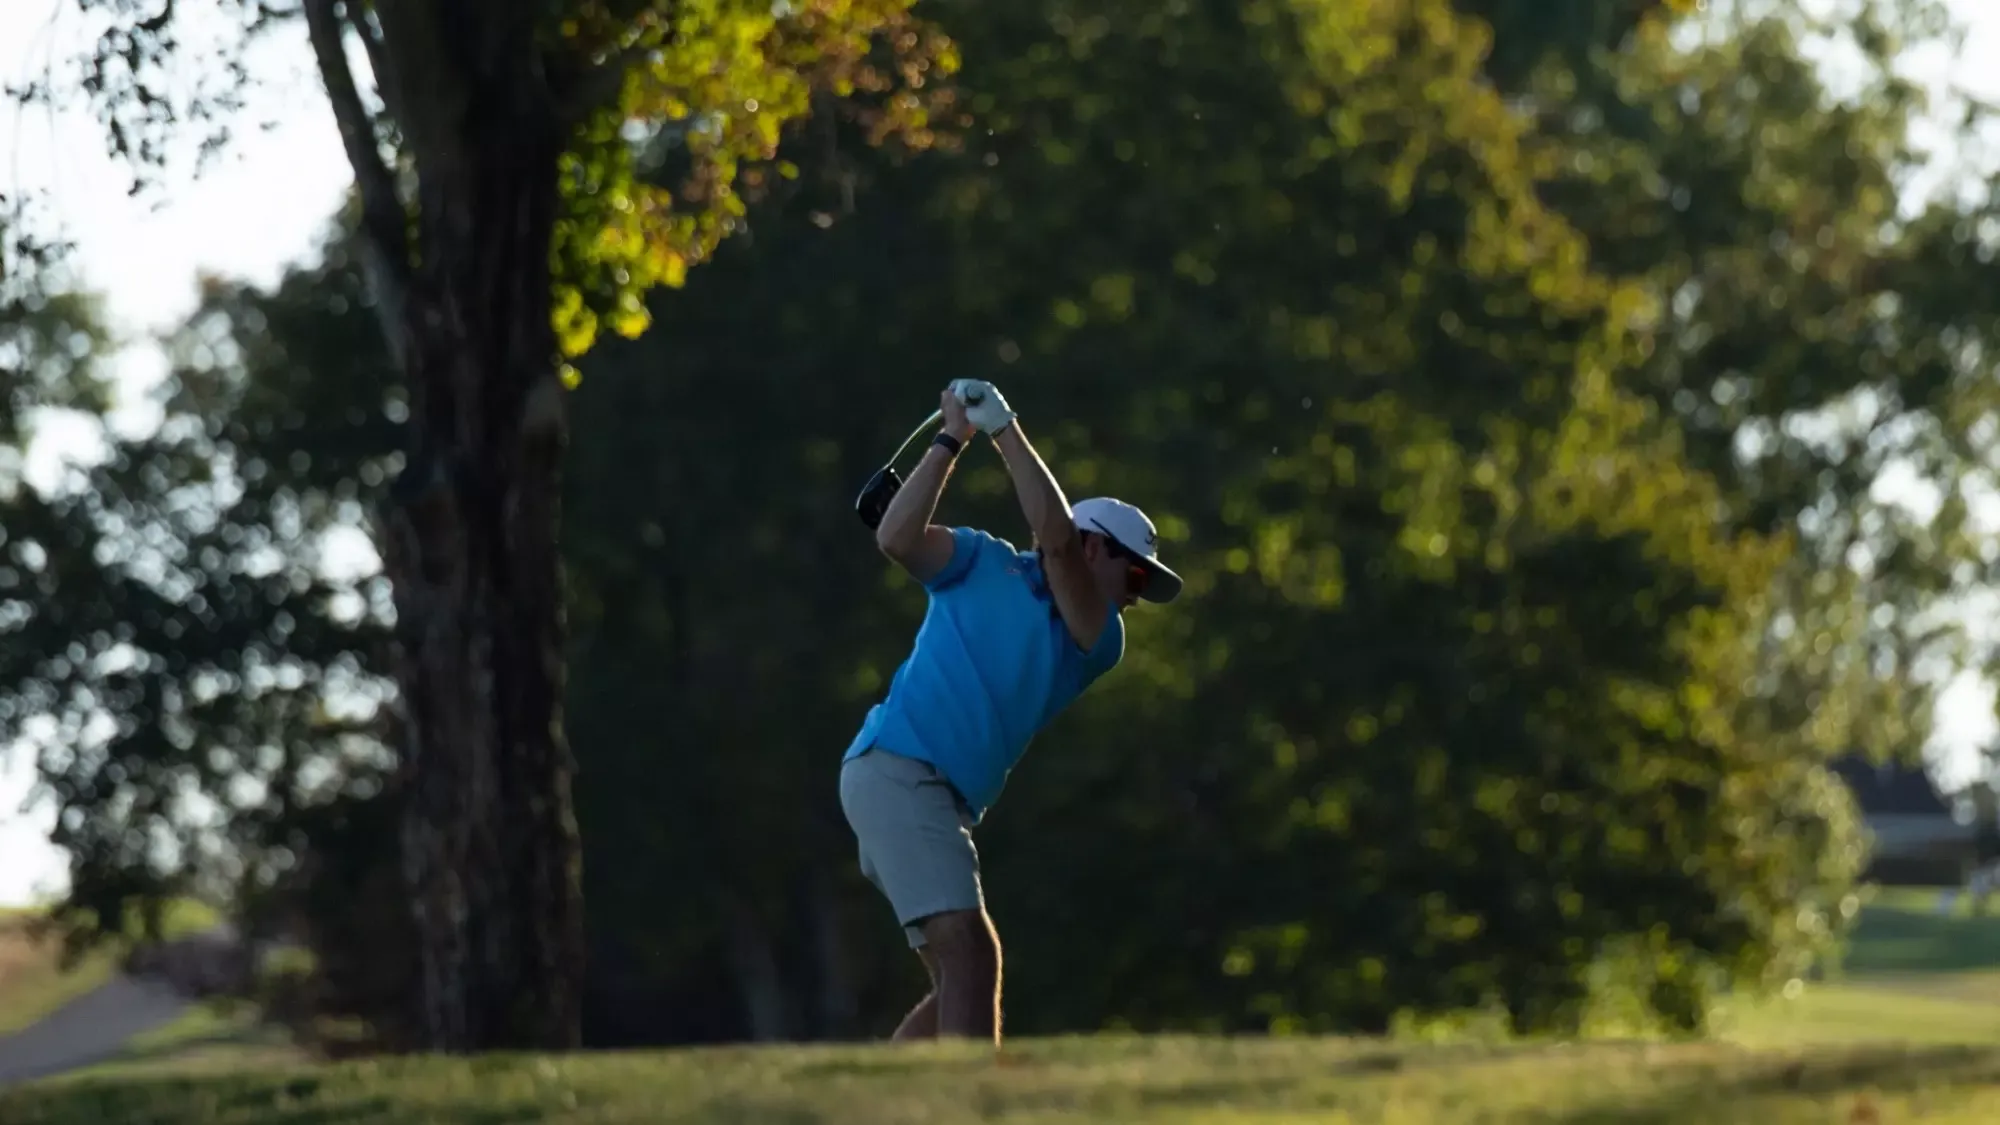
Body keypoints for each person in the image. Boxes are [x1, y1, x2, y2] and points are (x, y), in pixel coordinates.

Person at [839, 379, 1183, 1046]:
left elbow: (1054, 543)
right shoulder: (981, 559)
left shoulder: (1096, 636)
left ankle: (869, 1105)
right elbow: (896, 538)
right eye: (1135, 575)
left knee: (959, 982)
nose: (1136, 596)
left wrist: (1005, 428)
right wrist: (950, 440)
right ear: (1094, 547)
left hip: (921, 790)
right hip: (898, 769)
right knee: (973, 954)